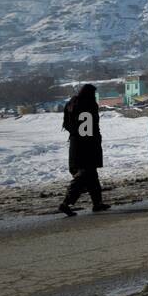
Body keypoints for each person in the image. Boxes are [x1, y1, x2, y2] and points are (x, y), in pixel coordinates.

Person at [58, 84, 110, 216]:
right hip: (88, 144)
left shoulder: (70, 104)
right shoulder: (90, 105)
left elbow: (66, 125)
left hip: (76, 142)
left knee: (91, 175)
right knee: (83, 175)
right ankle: (66, 203)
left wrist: (75, 134)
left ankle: (97, 203)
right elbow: (92, 126)